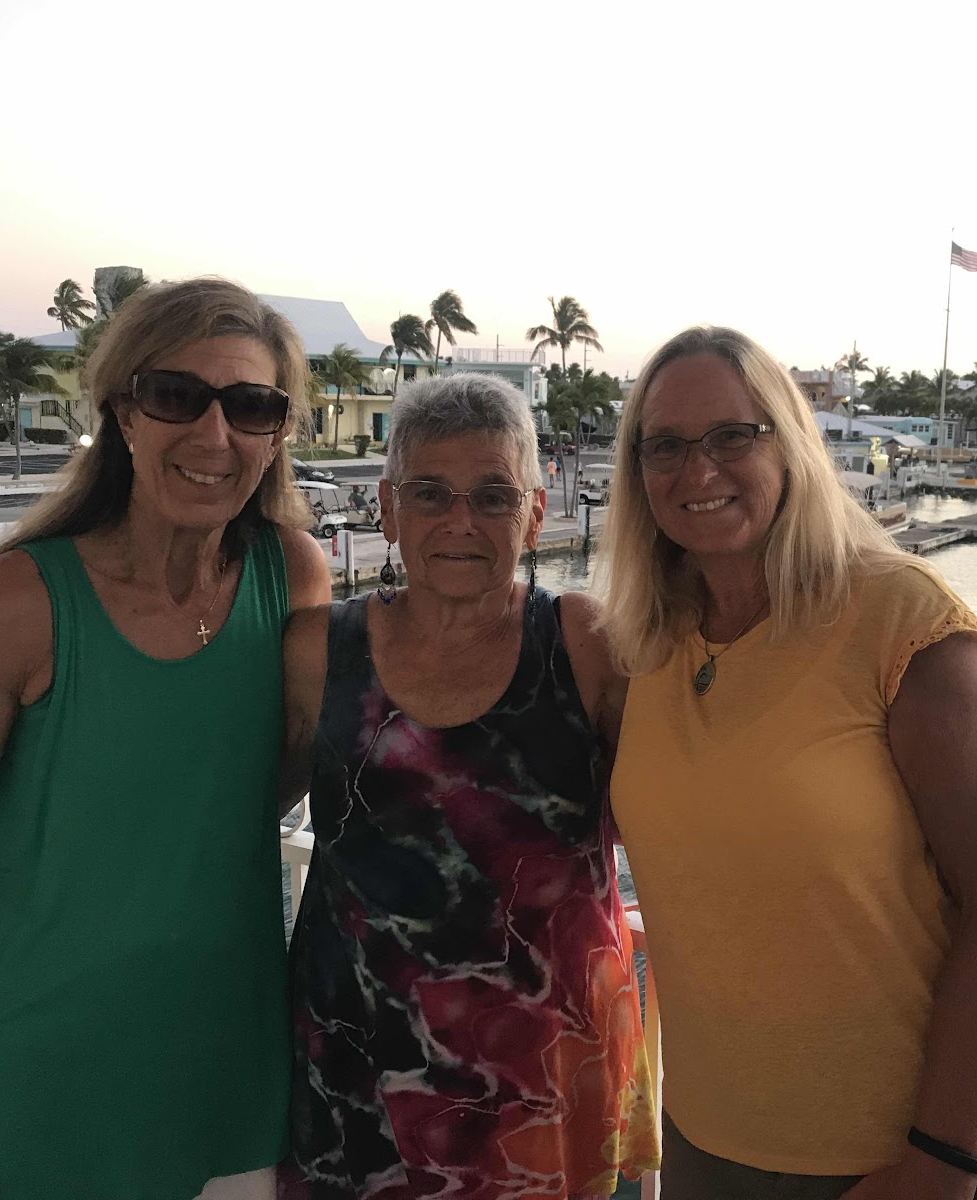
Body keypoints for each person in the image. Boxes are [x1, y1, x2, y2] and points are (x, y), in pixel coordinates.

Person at [596, 326, 977, 1200]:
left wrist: (940, 1164)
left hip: (923, 1155)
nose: (698, 469)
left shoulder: (894, 615)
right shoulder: (646, 639)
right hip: (714, 1145)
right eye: (664, 445)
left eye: (732, 435)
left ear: (789, 443)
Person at [0, 277, 332, 1200]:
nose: (214, 435)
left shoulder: (291, 577)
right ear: (123, 412)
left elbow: (255, 782)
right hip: (35, 1081)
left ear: (279, 433)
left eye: (251, 405)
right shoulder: (17, 602)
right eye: (176, 396)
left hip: (228, 1072)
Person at [278, 373, 658, 1199]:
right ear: (387, 507)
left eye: (493, 496)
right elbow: (238, 810)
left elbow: (665, 822)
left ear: (534, 512)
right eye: (429, 493)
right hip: (357, 1073)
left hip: (540, 1082)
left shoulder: (586, 644)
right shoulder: (316, 650)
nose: (461, 521)